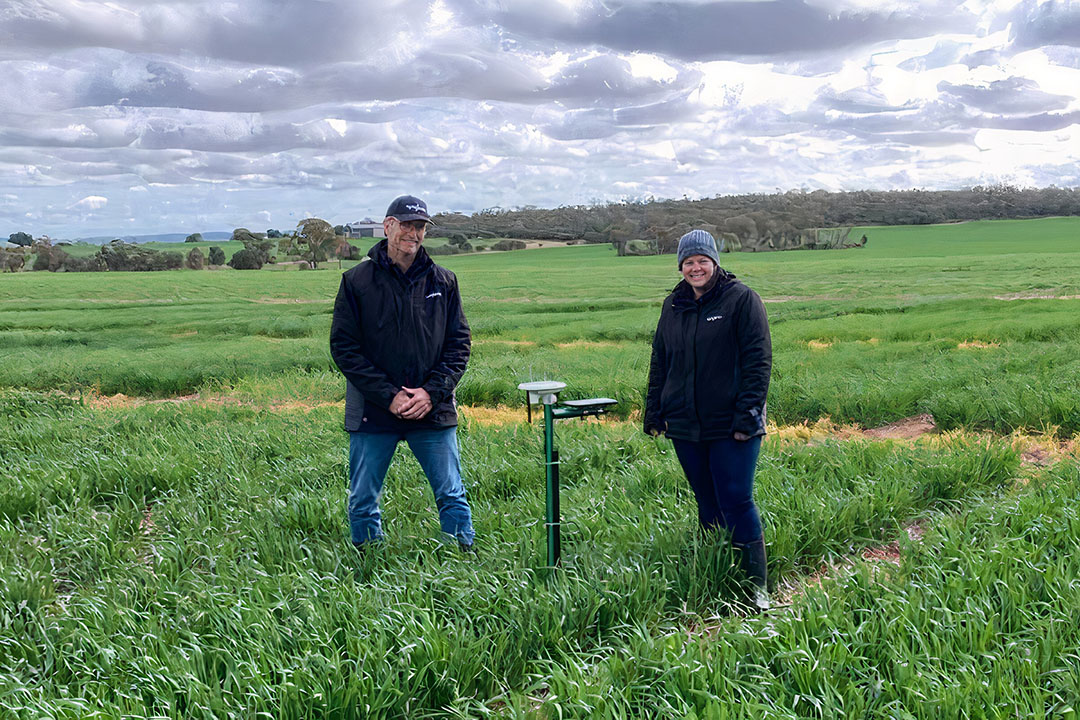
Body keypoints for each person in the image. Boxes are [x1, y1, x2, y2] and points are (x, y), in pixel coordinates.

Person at [330, 195, 476, 552]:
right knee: (363, 497)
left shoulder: (444, 280)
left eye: (420, 226)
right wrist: (390, 395)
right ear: (388, 226)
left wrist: (430, 393)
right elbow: (344, 349)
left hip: (433, 408)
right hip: (374, 410)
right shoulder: (356, 281)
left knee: (451, 493)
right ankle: (367, 561)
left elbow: (459, 344)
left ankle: (461, 559)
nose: (414, 233)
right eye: (406, 224)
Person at [644, 229, 772, 609]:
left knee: (736, 498)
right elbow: (661, 360)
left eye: (702, 260)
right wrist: (655, 410)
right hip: (684, 423)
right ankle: (718, 570)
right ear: (680, 266)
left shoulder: (741, 300)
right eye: (688, 262)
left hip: (732, 423)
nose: (695, 268)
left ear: (715, 262)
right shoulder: (673, 305)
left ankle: (756, 588)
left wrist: (748, 416)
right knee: (706, 500)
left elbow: (758, 361)